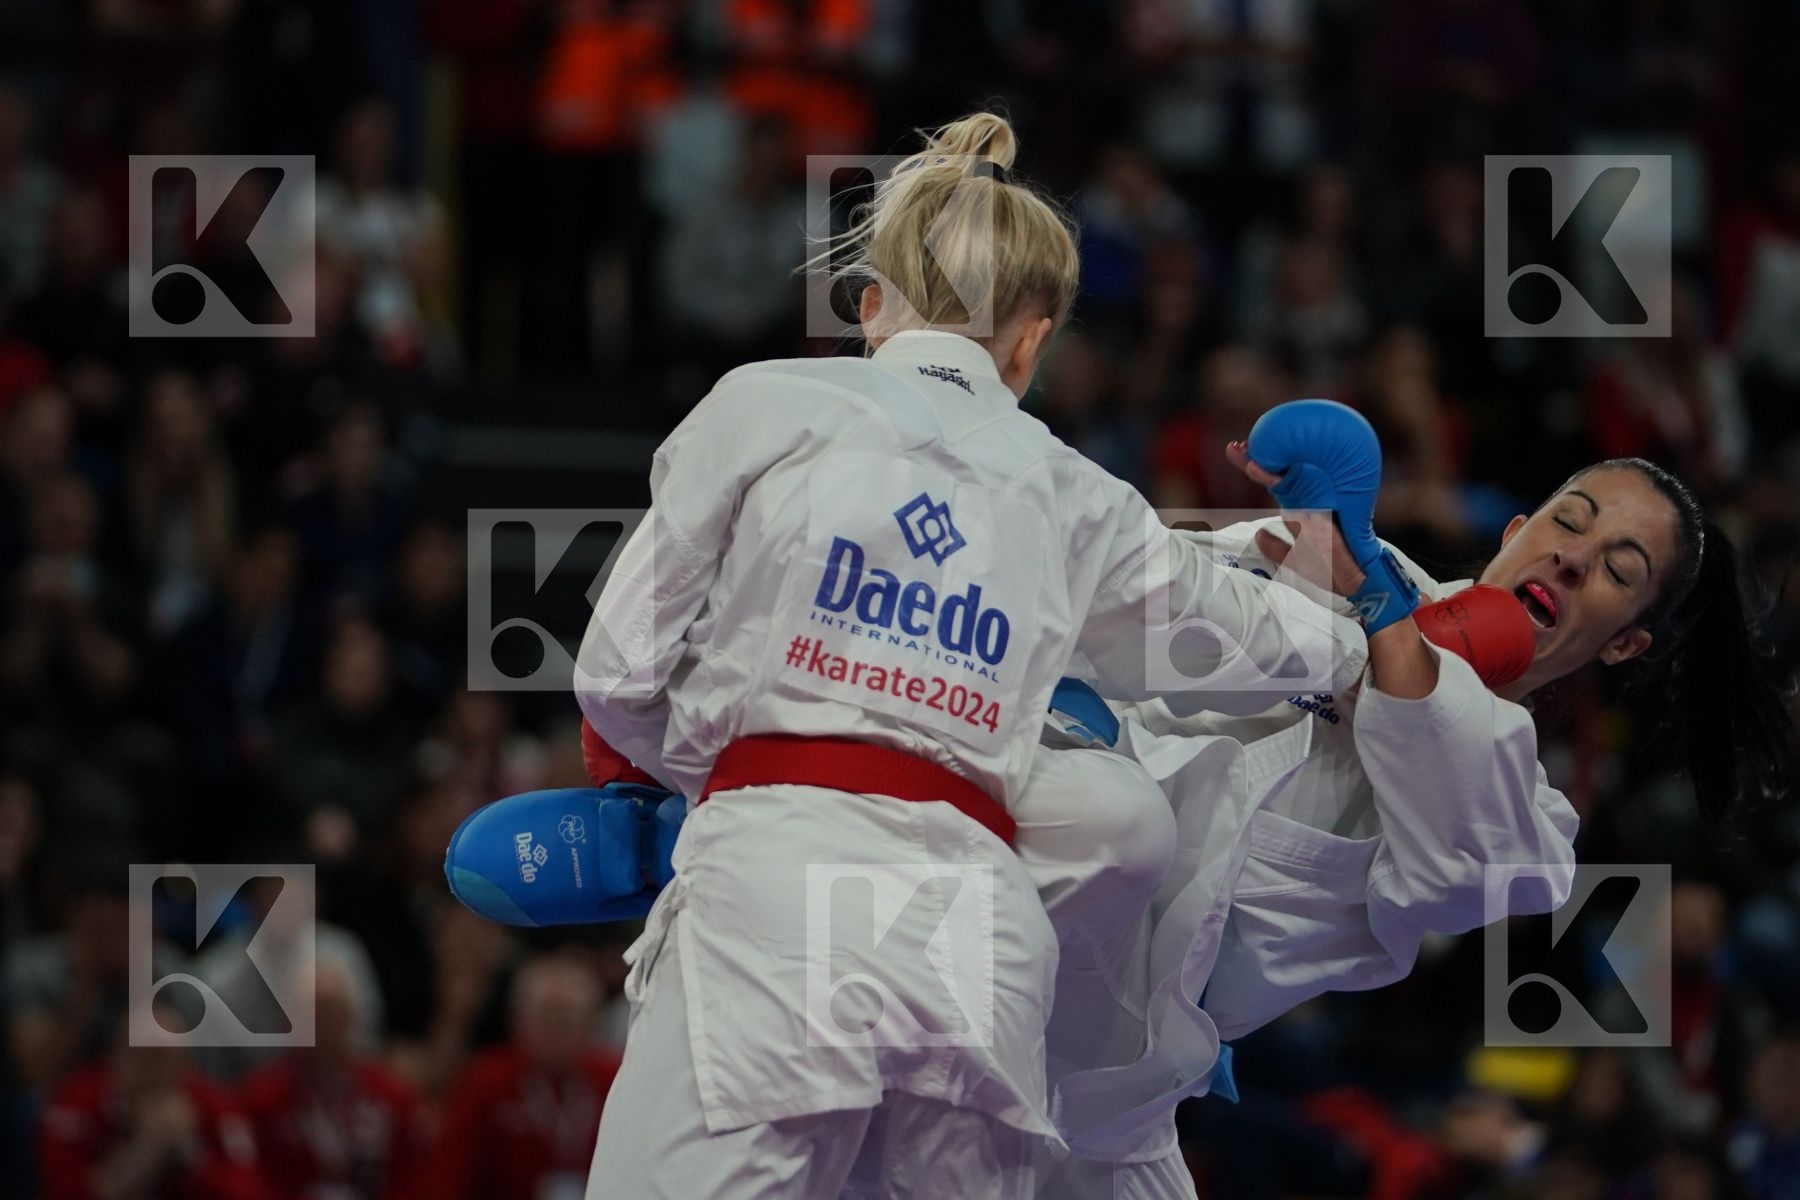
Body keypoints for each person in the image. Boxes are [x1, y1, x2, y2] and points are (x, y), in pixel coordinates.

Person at [565, 111, 1372, 1199]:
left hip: (776, 877)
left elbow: (617, 671)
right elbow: (1240, 631)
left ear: (868, 306)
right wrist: (1370, 628)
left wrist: (690, 785)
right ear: (1034, 338)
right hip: (978, 939)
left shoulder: (768, 402)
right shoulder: (1079, 493)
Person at [1029, 454, 1798, 1199]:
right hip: (1015, 905)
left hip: (1106, 1094)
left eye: (1618, 571)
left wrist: (1378, 623)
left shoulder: (1530, 826)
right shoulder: (1348, 561)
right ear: (1516, 533)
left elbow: (1450, 843)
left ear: (1625, 642)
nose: (1573, 559)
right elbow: (1122, 588)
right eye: (1569, 523)